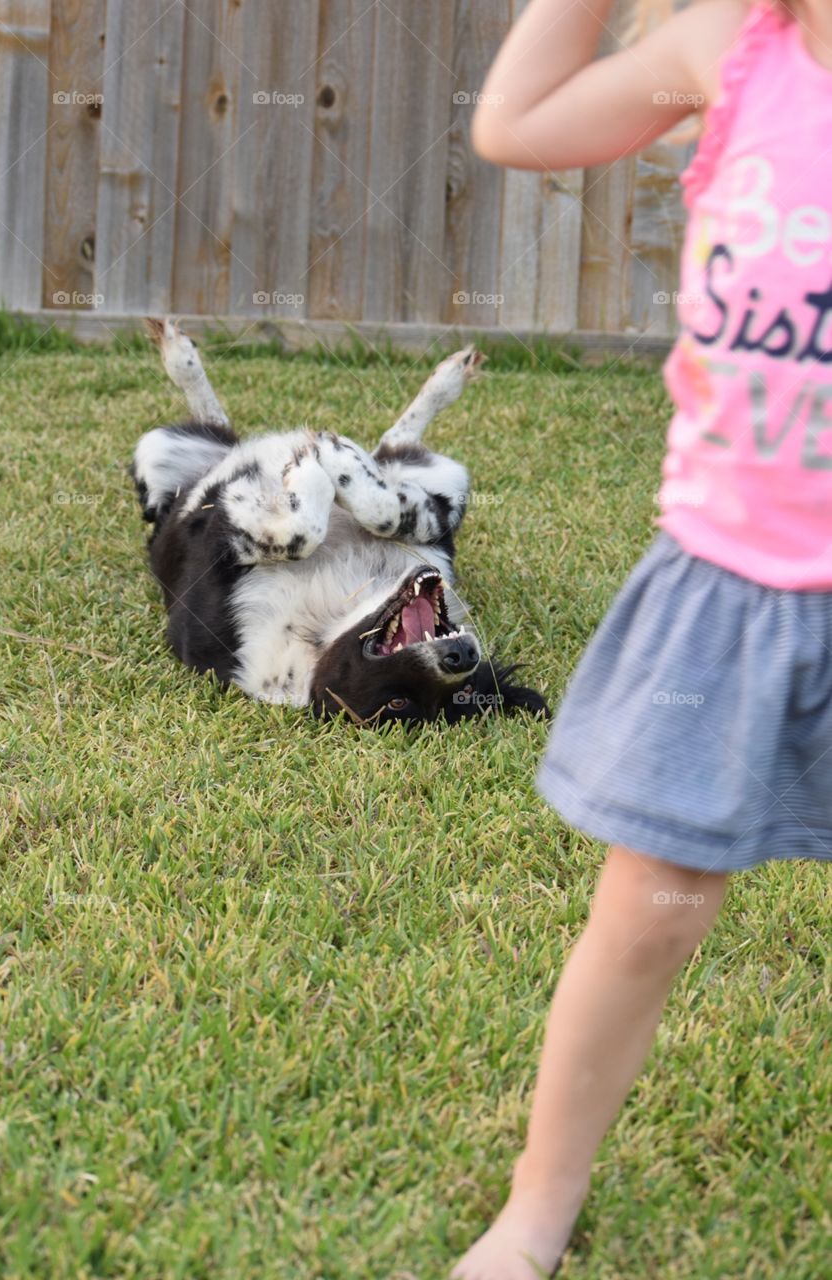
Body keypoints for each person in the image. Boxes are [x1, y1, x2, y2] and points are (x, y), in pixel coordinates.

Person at [452, 2, 832, 1276]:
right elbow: (514, 125)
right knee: (649, 918)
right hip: (730, 594)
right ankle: (536, 1209)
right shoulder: (725, 49)